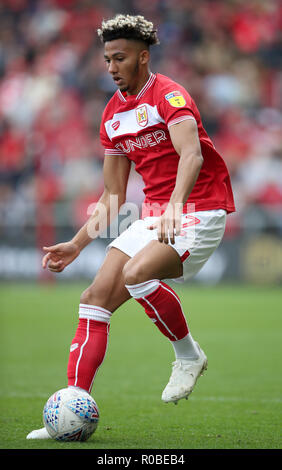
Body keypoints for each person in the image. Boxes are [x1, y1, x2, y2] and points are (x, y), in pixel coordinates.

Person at [27, 14, 235, 439]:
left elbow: (192, 156)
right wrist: (78, 244)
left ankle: (188, 355)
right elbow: (113, 197)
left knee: (136, 272)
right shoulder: (111, 117)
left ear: (142, 57)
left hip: (200, 208)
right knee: (94, 297)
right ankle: (71, 407)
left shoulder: (170, 97)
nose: (111, 67)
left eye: (119, 58)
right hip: (159, 211)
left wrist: (176, 205)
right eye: (106, 59)